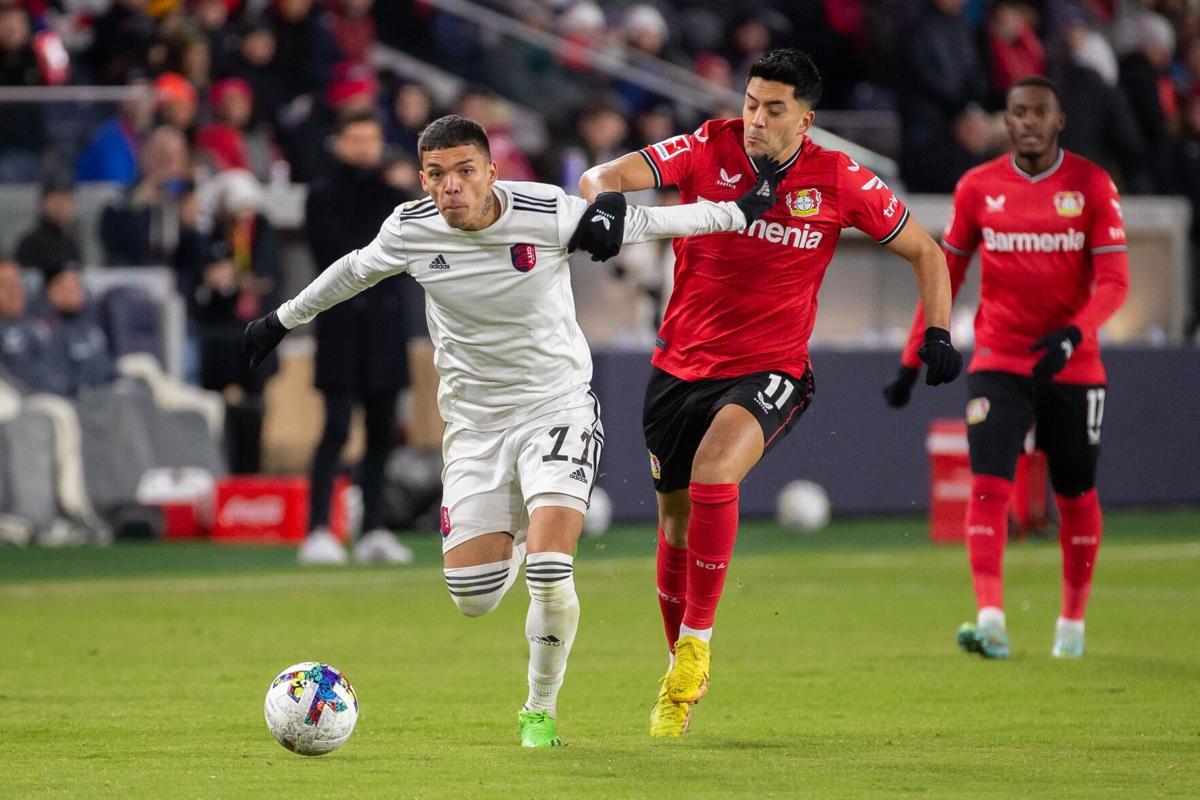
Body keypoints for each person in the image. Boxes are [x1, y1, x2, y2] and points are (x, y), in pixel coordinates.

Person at [243, 114, 785, 748]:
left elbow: (652, 222)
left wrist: (738, 211)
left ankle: (540, 710)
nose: (452, 187)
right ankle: (530, 525)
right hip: (473, 423)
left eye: (466, 172)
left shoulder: (546, 212)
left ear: (491, 173)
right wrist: (280, 319)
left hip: (556, 405)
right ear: (423, 180)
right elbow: (352, 271)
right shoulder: (410, 231)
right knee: (473, 597)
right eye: (438, 175)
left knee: (552, 572)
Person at [578, 48, 962, 738]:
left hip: (769, 367)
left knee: (714, 473)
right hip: (678, 367)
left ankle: (697, 641)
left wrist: (936, 331)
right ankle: (678, 676)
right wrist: (606, 203)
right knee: (673, 524)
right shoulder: (707, 146)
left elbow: (927, 252)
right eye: (752, 102)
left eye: (773, 108)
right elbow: (602, 173)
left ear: (805, 119)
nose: (755, 119)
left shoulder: (839, 178)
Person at [883, 76, 1129, 660]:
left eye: (1039, 112)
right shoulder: (977, 187)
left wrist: (1076, 333)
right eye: (1018, 112)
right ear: (1007, 120)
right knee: (990, 484)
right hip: (999, 357)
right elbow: (947, 274)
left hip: (1074, 364)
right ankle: (991, 619)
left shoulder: (1091, 186)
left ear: (1058, 121)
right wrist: (910, 357)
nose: (1027, 122)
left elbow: (1116, 282)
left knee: (1074, 494)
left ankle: (1071, 624)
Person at [296, 111, 414, 566]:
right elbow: (337, 255)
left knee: (384, 433)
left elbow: (404, 255)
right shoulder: (322, 194)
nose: (364, 146)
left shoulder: (394, 195)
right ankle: (319, 528)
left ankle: (375, 528)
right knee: (336, 428)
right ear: (339, 142)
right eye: (355, 137)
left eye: (371, 137)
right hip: (342, 326)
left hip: (385, 329)